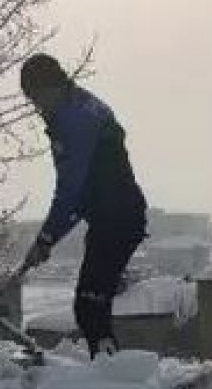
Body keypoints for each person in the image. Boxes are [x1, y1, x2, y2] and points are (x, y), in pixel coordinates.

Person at [18, 54, 148, 358]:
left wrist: (46, 239)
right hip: (113, 217)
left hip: (116, 219)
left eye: (37, 97)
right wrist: (48, 240)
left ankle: (110, 379)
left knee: (90, 306)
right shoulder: (81, 105)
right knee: (92, 307)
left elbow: (71, 193)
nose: (37, 107)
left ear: (52, 87)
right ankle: (107, 373)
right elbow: (82, 194)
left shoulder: (74, 121)